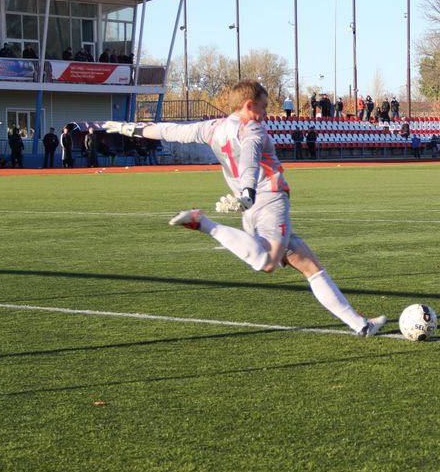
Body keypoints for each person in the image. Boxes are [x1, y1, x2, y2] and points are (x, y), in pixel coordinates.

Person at [102, 80, 386, 337]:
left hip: (248, 205)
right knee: (268, 263)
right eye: (262, 107)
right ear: (249, 106)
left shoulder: (213, 127)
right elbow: (250, 156)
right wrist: (248, 190)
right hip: (268, 199)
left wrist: (134, 128)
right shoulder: (253, 128)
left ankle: (360, 325)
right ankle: (204, 224)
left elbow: (172, 131)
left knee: (308, 264)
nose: (265, 114)